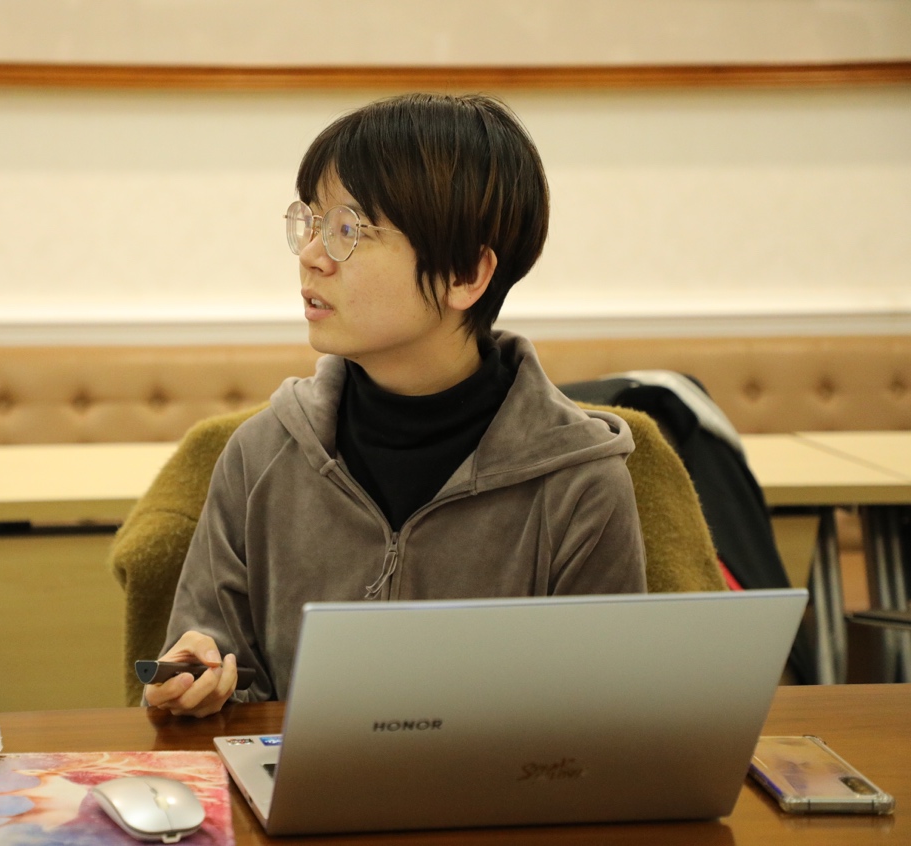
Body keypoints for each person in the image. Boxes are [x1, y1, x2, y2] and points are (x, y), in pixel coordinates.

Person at [145, 93, 647, 717]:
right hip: (297, 777)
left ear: (465, 275)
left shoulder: (578, 483)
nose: (311, 256)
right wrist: (191, 687)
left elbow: (602, 725)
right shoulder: (261, 455)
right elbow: (216, 678)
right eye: (311, 223)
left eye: (348, 231)